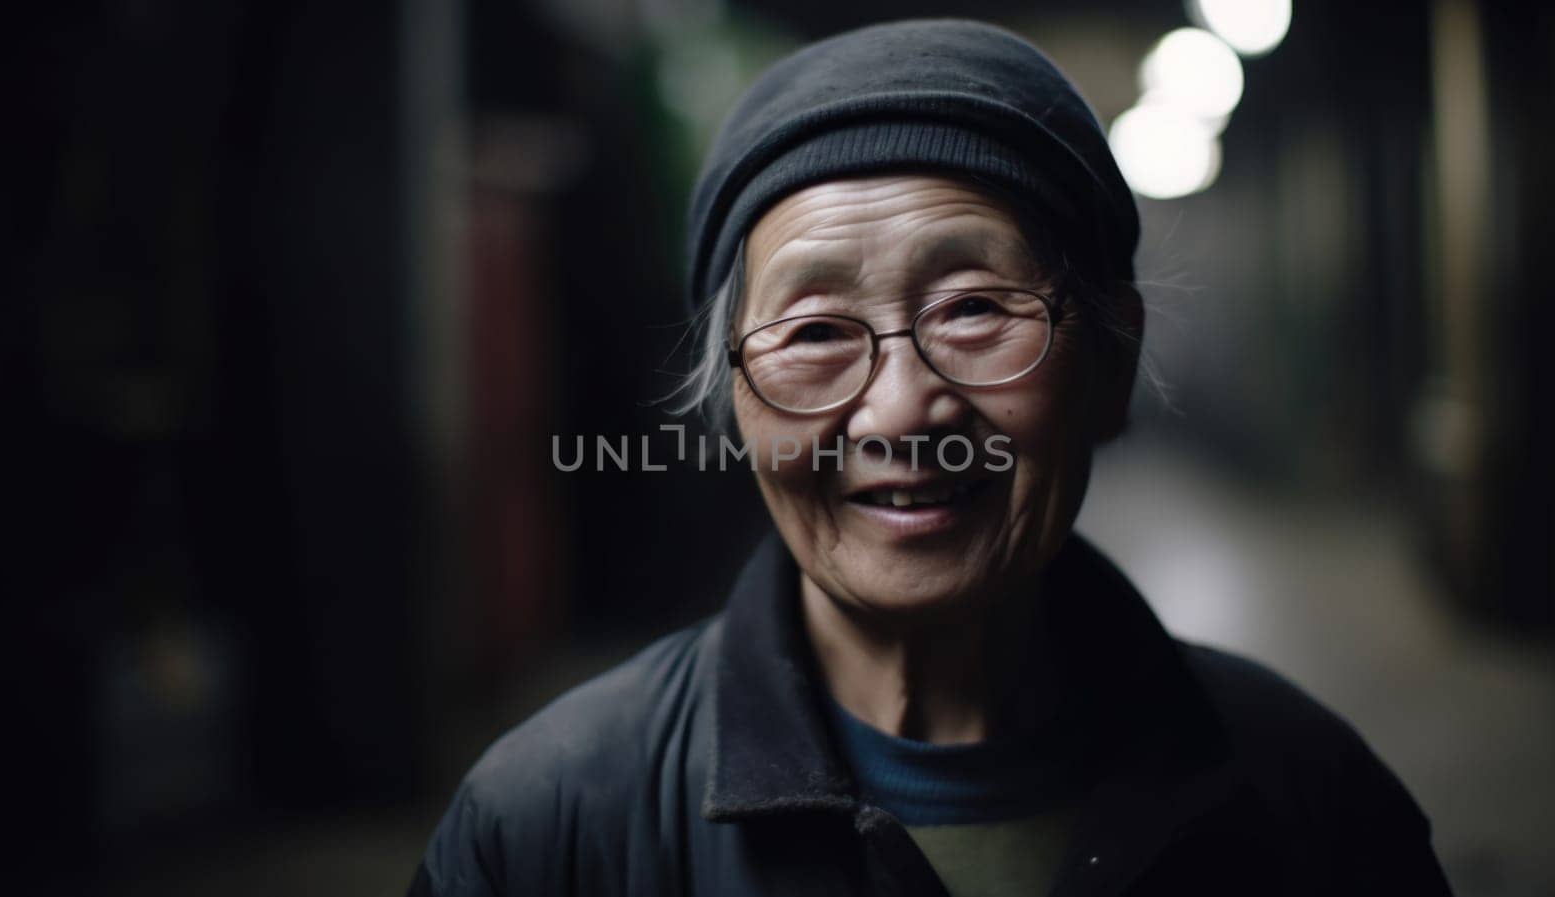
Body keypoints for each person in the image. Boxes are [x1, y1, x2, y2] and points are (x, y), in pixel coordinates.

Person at [409, 19, 1453, 897]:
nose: (902, 409)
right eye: (814, 332)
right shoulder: (548, 825)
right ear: (735, 402)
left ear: (1110, 360)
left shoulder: (1307, 798)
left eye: (974, 310)